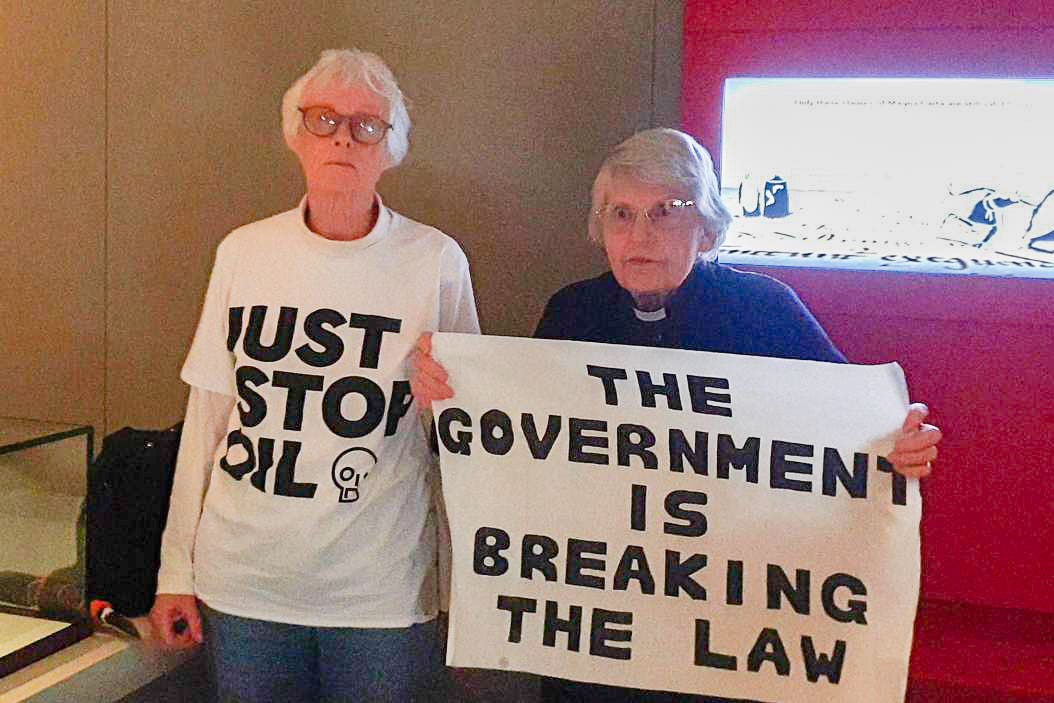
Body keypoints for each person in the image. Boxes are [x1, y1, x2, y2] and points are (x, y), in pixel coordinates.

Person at [410, 127, 941, 702]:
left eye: (667, 212)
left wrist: (898, 444)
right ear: (600, 230)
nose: (641, 235)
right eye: (621, 214)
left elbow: (852, 436)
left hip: (723, 633)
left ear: (707, 227)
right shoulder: (574, 311)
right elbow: (519, 452)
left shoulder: (765, 310)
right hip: (600, 630)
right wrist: (448, 404)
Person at [149, 49, 479, 703]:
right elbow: (208, 418)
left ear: (392, 148)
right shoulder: (244, 252)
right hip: (244, 583)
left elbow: (472, 430)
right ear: (296, 136)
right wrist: (173, 569)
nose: (341, 137)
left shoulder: (435, 260)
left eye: (366, 125)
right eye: (323, 119)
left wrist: (441, 400)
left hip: (379, 590)